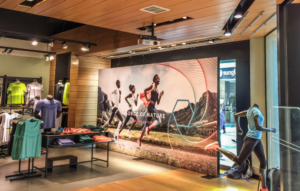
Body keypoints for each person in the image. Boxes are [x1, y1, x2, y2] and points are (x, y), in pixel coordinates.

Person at [205, 104, 276, 191]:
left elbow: (236, 115)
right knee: (239, 161)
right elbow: (258, 127)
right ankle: (217, 147)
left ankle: (264, 188)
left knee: (263, 161)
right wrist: (271, 130)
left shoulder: (249, 111)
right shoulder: (256, 111)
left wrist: (239, 128)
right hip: (251, 139)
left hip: (256, 139)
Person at [137, 74, 164, 147]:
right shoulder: (152, 86)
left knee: (146, 123)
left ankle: (139, 139)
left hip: (153, 107)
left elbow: (157, 102)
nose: (159, 80)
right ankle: (148, 129)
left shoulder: (157, 90)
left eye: (159, 79)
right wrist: (147, 99)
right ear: (155, 80)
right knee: (159, 121)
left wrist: (160, 96)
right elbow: (145, 90)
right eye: (158, 79)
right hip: (150, 107)